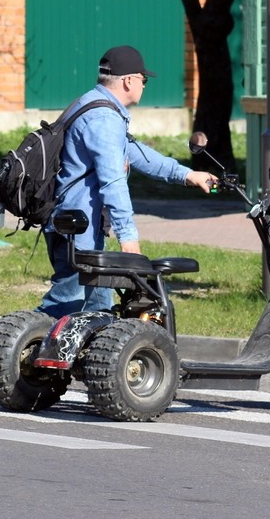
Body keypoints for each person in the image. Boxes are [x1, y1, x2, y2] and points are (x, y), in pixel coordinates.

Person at [36, 45, 218, 318]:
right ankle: (19, 347)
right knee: (65, 303)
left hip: (77, 226)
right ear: (128, 80)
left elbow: (139, 154)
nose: (144, 85)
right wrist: (128, 236)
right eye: (143, 80)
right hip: (75, 230)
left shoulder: (92, 104)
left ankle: (94, 358)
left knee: (98, 311)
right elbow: (113, 182)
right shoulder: (104, 119)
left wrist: (188, 175)